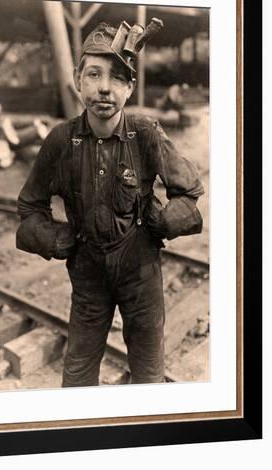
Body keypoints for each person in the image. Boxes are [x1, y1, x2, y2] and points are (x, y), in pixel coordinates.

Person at [16, 21, 204, 387]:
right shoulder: (60, 142)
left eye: (117, 78)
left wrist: (166, 221)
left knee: (149, 376)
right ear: (77, 79)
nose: (104, 87)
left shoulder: (146, 134)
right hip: (88, 278)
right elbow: (29, 208)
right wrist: (56, 239)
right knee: (77, 375)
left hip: (141, 275)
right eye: (94, 74)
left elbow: (190, 191)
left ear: (130, 87)